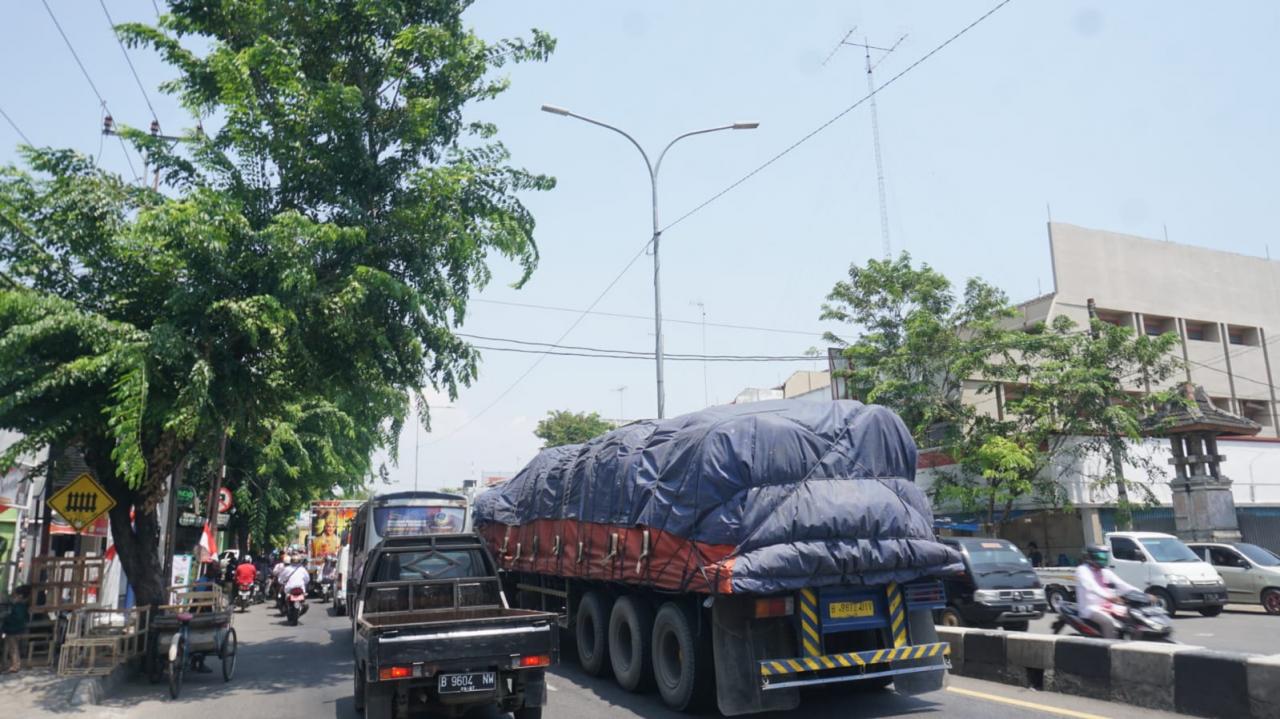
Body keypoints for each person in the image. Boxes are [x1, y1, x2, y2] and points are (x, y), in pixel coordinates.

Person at [1074, 544, 1141, 639]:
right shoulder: (1082, 570)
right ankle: (1110, 649)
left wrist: (1143, 594)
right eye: (1101, 556)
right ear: (1090, 557)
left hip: (1108, 606)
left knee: (1134, 617)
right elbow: (1091, 586)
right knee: (1108, 623)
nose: (1104, 559)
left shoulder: (1104, 571)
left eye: (1105, 556)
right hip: (1090, 609)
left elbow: (1121, 584)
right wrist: (1109, 597)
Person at [2, 585, 31, 673]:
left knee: (13, 647)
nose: (13, 598)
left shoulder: (19, 606)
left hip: (13, 629)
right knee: (14, 647)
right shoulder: (23, 606)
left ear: (20, 596)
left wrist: (6, 619)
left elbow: (16, 618)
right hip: (18, 629)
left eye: (15, 596)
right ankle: (14, 664)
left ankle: (15, 665)